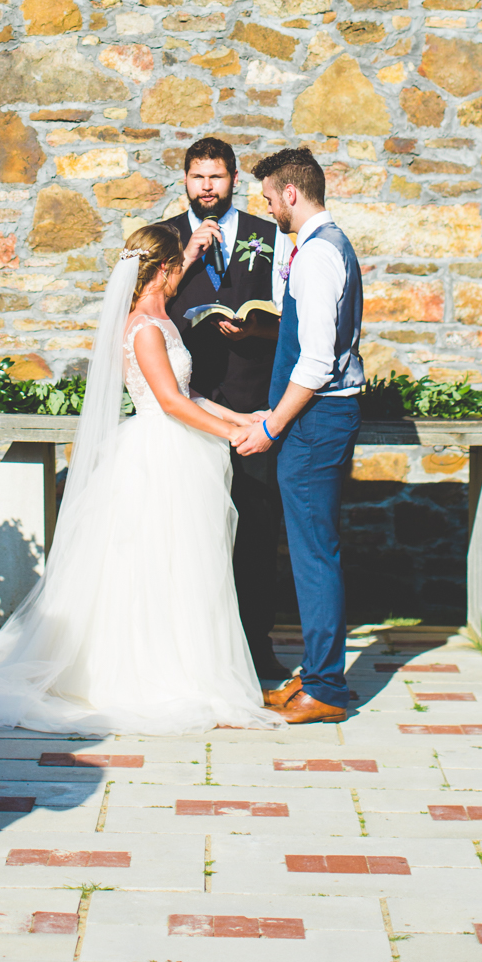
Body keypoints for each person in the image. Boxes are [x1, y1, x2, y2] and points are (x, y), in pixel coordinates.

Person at [0, 224, 278, 733]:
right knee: (154, 567)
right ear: (162, 270)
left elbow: (189, 395)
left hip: (177, 451)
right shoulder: (142, 327)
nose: (182, 274)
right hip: (158, 456)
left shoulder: (163, 319)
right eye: (178, 266)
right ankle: (148, 674)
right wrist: (231, 434)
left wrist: (245, 419)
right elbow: (168, 402)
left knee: (183, 565)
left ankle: (186, 665)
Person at [233, 147, 365, 727]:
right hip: (319, 419)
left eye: (268, 197)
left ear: (291, 193)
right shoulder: (318, 247)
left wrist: (270, 423)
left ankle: (327, 689)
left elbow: (315, 362)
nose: (266, 208)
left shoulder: (317, 256)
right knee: (314, 550)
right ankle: (317, 673)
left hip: (316, 423)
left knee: (314, 555)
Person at [158, 137, 288, 682]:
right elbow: (143, 303)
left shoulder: (269, 234)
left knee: (255, 532)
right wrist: (186, 262)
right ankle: (194, 649)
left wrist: (258, 326)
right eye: (197, 177)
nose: (206, 186)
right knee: (193, 531)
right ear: (185, 181)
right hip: (191, 404)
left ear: (233, 179)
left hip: (254, 405)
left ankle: (256, 647)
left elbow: (290, 311)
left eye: (216, 176)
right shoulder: (164, 237)